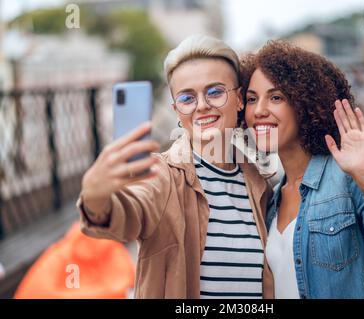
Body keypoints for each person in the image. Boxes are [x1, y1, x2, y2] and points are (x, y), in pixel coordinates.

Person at [77, 35, 274, 299]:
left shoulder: (260, 184)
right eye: (187, 98)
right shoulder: (160, 175)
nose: (202, 106)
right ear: (176, 110)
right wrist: (95, 197)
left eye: (215, 92)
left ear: (239, 99)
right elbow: (127, 213)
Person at [241, 40, 364, 299]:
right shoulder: (270, 198)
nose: (259, 110)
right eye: (251, 99)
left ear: (305, 102)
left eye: (276, 97)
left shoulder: (348, 177)